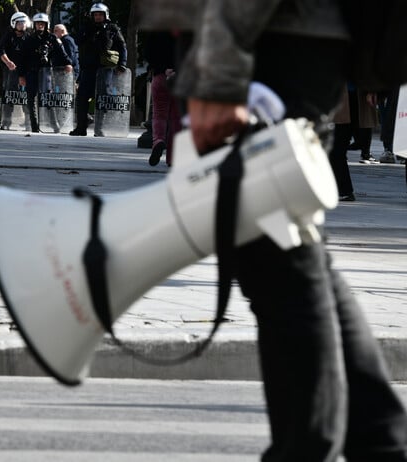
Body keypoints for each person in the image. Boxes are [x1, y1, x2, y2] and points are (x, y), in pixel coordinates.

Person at [140, 1, 407, 461]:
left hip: (264, 42)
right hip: (281, 40)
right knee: (293, 251)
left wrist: (217, 72)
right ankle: (380, 442)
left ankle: (314, 447)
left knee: (280, 264)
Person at [69, 3, 127, 137]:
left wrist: (122, 64)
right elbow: (77, 40)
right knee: (82, 98)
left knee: (103, 98)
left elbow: (122, 46)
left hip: (105, 69)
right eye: (95, 15)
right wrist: (86, 29)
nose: (98, 17)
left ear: (106, 15)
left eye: (100, 14)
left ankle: (101, 128)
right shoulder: (86, 27)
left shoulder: (113, 29)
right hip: (88, 69)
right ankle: (81, 127)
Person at [18, 12, 73, 133]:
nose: (40, 26)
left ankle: (55, 125)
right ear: (34, 25)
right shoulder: (28, 39)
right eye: (38, 23)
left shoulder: (52, 38)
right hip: (31, 72)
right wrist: (21, 75)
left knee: (48, 98)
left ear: (46, 24)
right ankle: (34, 126)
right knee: (31, 99)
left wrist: (68, 63)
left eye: (42, 23)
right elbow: (21, 58)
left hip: (46, 72)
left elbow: (61, 52)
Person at [145, 30, 181, 167]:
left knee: (159, 114)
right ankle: (173, 157)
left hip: (160, 76)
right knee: (176, 119)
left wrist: (162, 69)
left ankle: (158, 140)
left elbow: (148, 53)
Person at [0, 11, 30, 131]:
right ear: (14, 23)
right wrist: (8, 62)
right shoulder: (8, 36)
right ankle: (6, 122)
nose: (23, 25)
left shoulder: (29, 37)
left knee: (25, 96)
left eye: (24, 23)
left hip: (25, 71)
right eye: (20, 23)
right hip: (10, 71)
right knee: (9, 95)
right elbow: (1, 50)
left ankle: (29, 122)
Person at [329, 86, 357, 202]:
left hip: (342, 107)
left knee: (336, 151)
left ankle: (344, 190)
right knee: (336, 152)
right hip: (342, 106)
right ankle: (343, 189)